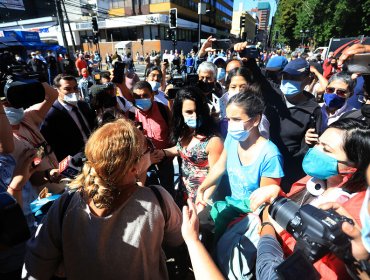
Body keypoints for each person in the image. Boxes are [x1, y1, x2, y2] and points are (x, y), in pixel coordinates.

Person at [22, 118, 183, 279]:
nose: (151, 149)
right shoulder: (157, 200)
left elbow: (36, 267)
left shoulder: (66, 204)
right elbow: (177, 240)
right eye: (148, 146)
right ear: (134, 166)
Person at [258, 118, 370, 280]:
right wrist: (278, 196)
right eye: (318, 143)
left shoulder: (353, 218)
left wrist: (267, 228)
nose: (316, 151)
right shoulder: (314, 180)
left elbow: (324, 272)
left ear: (353, 166)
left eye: (326, 149)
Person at [196, 91, 284, 209]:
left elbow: (267, 202)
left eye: (236, 119)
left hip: (254, 218)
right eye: (228, 119)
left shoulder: (270, 156)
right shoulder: (232, 139)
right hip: (233, 211)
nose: (231, 125)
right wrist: (201, 189)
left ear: (256, 120)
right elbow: (220, 167)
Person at [153, 87, 223, 202]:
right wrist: (163, 152)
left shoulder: (213, 140)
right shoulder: (185, 131)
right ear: (180, 112)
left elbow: (216, 176)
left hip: (204, 200)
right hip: (184, 194)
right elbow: (182, 149)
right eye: (189, 112)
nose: (194, 115)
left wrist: (202, 202)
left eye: (198, 111)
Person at [40, 74, 96, 162]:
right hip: (76, 161)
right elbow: (52, 146)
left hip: (95, 151)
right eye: (67, 89)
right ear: (57, 90)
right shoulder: (51, 115)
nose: (73, 92)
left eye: (75, 88)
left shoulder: (83, 105)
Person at [132, 81, 175, 195]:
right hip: (144, 162)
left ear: (152, 95)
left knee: (167, 191)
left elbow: (173, 131)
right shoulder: (132, 114)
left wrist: (166, 153)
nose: (141, 99)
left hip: (165, 159)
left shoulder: (163, 109)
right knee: (148, 193)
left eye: (145, 95)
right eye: (137, 96)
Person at [305, 72, 357, 145]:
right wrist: (306, 135)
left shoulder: (355, 116)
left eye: (341, 92)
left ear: (350, 94)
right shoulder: (315, 108)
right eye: (330, 90)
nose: (334, 94)